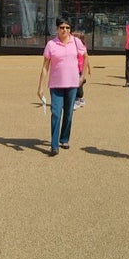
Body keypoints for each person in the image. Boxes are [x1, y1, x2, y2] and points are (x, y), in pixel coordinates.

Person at [37, 17, 86, 156]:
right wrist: (40, 86)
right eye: (62, 27)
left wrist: (82, 76)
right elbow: (45, 66)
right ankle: (54, 145)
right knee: (56, 113)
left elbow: (85, 55)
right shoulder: (51, 44)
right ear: (57, 29)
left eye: (67, 27)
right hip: (56, 84)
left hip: (72, 83)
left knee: (69, 113)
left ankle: (64, 138)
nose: (65, 30)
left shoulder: (76, 42)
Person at [72, 31, 91, 110]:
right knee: (76, 84)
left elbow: (87, 58)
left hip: (79, 68)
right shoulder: (73, 47)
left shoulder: (82, 47)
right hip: (74, 68)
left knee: (77, 84)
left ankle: (77, 100)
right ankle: (79, 99)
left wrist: (89, 68)